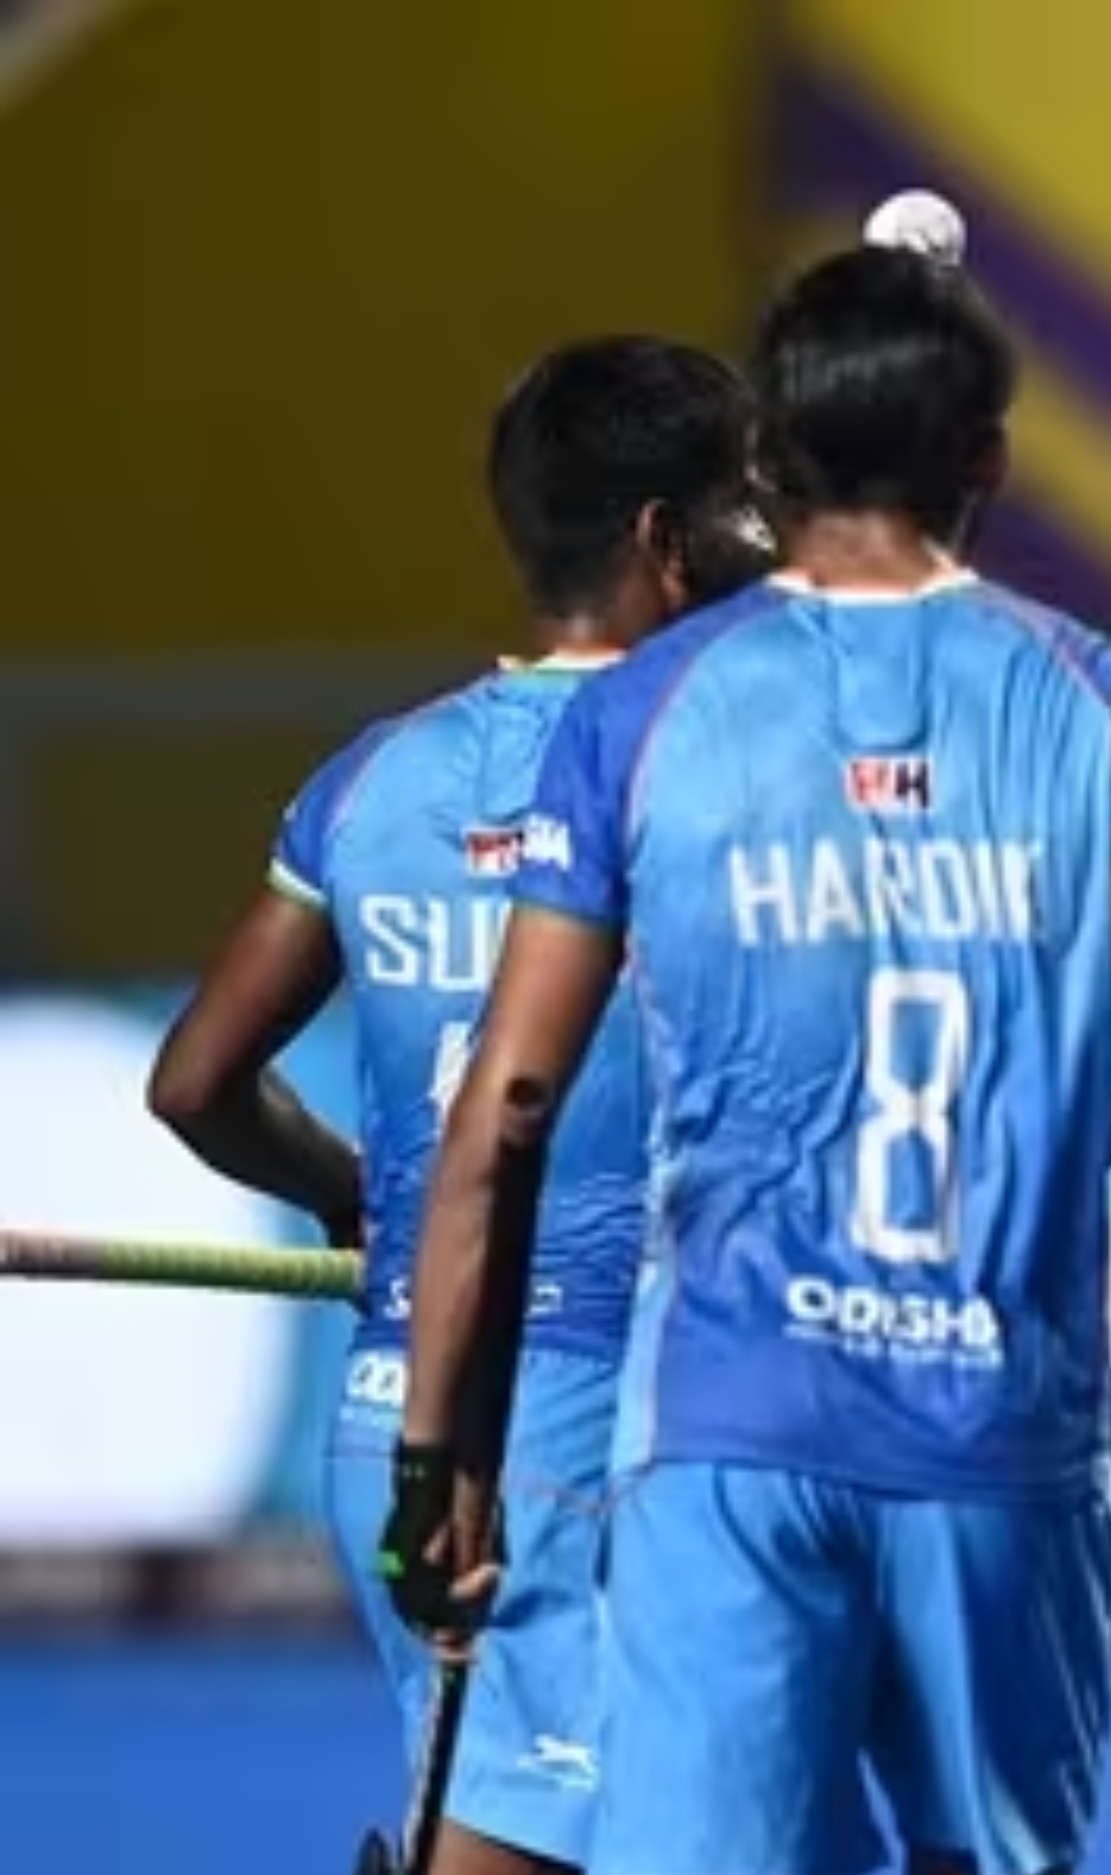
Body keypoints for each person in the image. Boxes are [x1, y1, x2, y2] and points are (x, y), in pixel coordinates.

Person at [380, 235, 1111, 1875]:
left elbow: (509, 1106)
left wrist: (439, 1458)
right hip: (1000, 1450)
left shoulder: (638, 715)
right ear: (990, 459)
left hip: (730, 1438)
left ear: (768, 463)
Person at [145, 336, 773, 1875]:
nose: (772, 542)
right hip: (611, 1424)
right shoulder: (720, 778)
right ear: (662, 540)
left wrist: (352, 1189)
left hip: (403, 1415)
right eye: (746, 508)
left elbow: (197, 1084)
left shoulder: (373, 782)